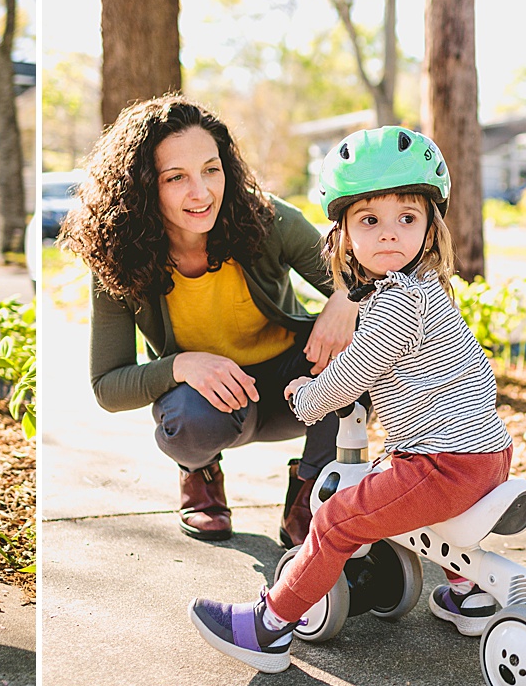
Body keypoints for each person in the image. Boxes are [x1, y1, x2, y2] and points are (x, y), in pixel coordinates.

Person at [189, 125, 515, 673]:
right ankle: (470, 593)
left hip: (445, 466)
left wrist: (309, 397)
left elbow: (356, 370)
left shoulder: (397, 302)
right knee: (399, 484)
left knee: (338, 520)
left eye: (406, 219)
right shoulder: (427, 290)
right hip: (485, 455)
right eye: (370, 221)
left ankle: (268, 628)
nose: (389, 234)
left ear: (429, 227)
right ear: (343, 233)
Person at [60, 96, 360, 545]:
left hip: (293, 388)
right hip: (210, 405)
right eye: (176, 177)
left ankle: (309, 497)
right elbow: (107, 386)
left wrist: (347, 297)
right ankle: (199, 475)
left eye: (211, 169)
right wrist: (182, 366)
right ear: (142, 187)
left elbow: (368, 277)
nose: (201, 192)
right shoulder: (117, 258)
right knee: (186, 417)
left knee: (360, 358)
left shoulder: (267, 219)